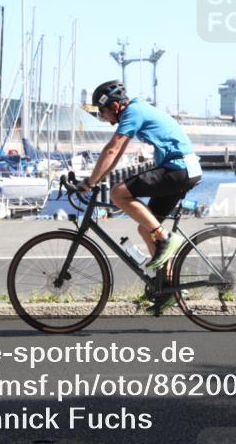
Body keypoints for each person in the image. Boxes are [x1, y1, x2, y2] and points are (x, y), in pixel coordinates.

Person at [79, 80, 202, 300]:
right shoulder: (136, 111)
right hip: (185, 169)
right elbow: (116, 155)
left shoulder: (133, 111)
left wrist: (90, 182)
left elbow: (112, 148)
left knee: (118, 193)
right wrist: (96, 179)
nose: (102, 117)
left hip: (178, 168)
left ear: (115, 106)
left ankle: (165, 238)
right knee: (146, 228)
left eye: (102, 111)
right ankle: (169, 289)